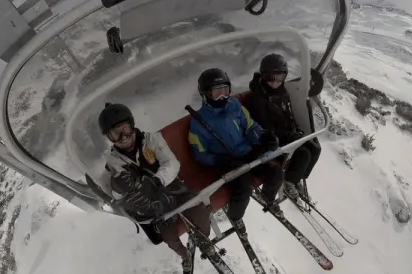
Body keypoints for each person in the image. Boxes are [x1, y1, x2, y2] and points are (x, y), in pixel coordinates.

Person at [99, 102, 211, 260]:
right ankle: (185, 256)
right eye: (115, 134)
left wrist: (158, 181)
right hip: (153, 202)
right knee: (168, 235)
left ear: (132, 125)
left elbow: (172, 163)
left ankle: (204, 240)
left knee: (199, 212)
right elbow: (119, 195)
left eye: (125, 129)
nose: (123, 138)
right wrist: (120, 189)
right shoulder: (114, 161)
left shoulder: (150, 140)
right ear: (108, 137)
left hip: (172, 187)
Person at [188, 68, 283, 227]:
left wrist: (263, 136)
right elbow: (199, 154)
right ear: (205, 95)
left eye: (225, 91)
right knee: (244, 189)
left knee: (276, 170)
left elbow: (251, 127)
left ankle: (267, 197)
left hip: (247, 154)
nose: (222, 97)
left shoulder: (234, 105)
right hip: (227, 163)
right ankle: (235, 217)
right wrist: (220, 161)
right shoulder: (198, 122)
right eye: (216, 93)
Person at [244, 53, 324, 201]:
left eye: (279, 78)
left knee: (315, 149)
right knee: (304, 154)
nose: (275, 82)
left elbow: (288, 113)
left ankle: (295, 178)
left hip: (286, 134)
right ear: (262, 76)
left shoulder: (281, 92)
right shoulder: (258, 99)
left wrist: (295, 128)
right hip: (271, 141)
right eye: (270, 78)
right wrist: (289, 135)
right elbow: (264, 128)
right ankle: (288, 182)